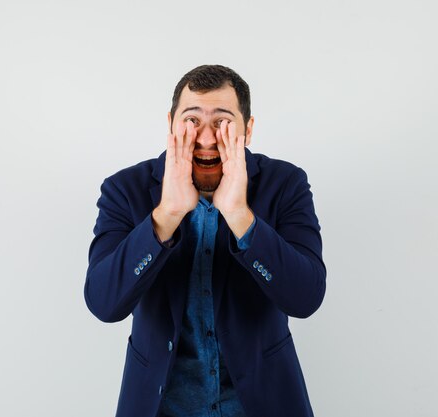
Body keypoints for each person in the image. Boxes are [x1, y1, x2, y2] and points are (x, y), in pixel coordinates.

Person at [84, 65, 326, 417]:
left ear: (249, 129)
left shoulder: (285, 184)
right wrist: (165, 216)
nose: (207, 138)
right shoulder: (125, 190)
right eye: (192, 120)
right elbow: (103, 303)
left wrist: (242, 218)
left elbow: (306, 298)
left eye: (223, 121)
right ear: (171, 124)